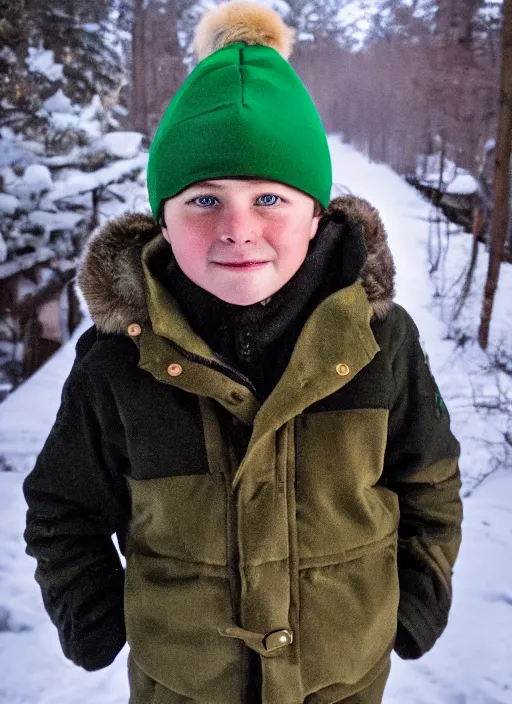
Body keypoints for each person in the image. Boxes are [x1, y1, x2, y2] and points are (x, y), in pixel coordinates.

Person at [23, 2, 463, 703]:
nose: (237, 229)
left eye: (269, 198)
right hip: (183, 688)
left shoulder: (381, 342)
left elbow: (429, 479)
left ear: (315, 212)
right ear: (161, 218)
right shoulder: (118, 361)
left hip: (343, 682)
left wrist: (414, 605)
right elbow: (62, 507)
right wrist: (95, 622)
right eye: (202, 200)